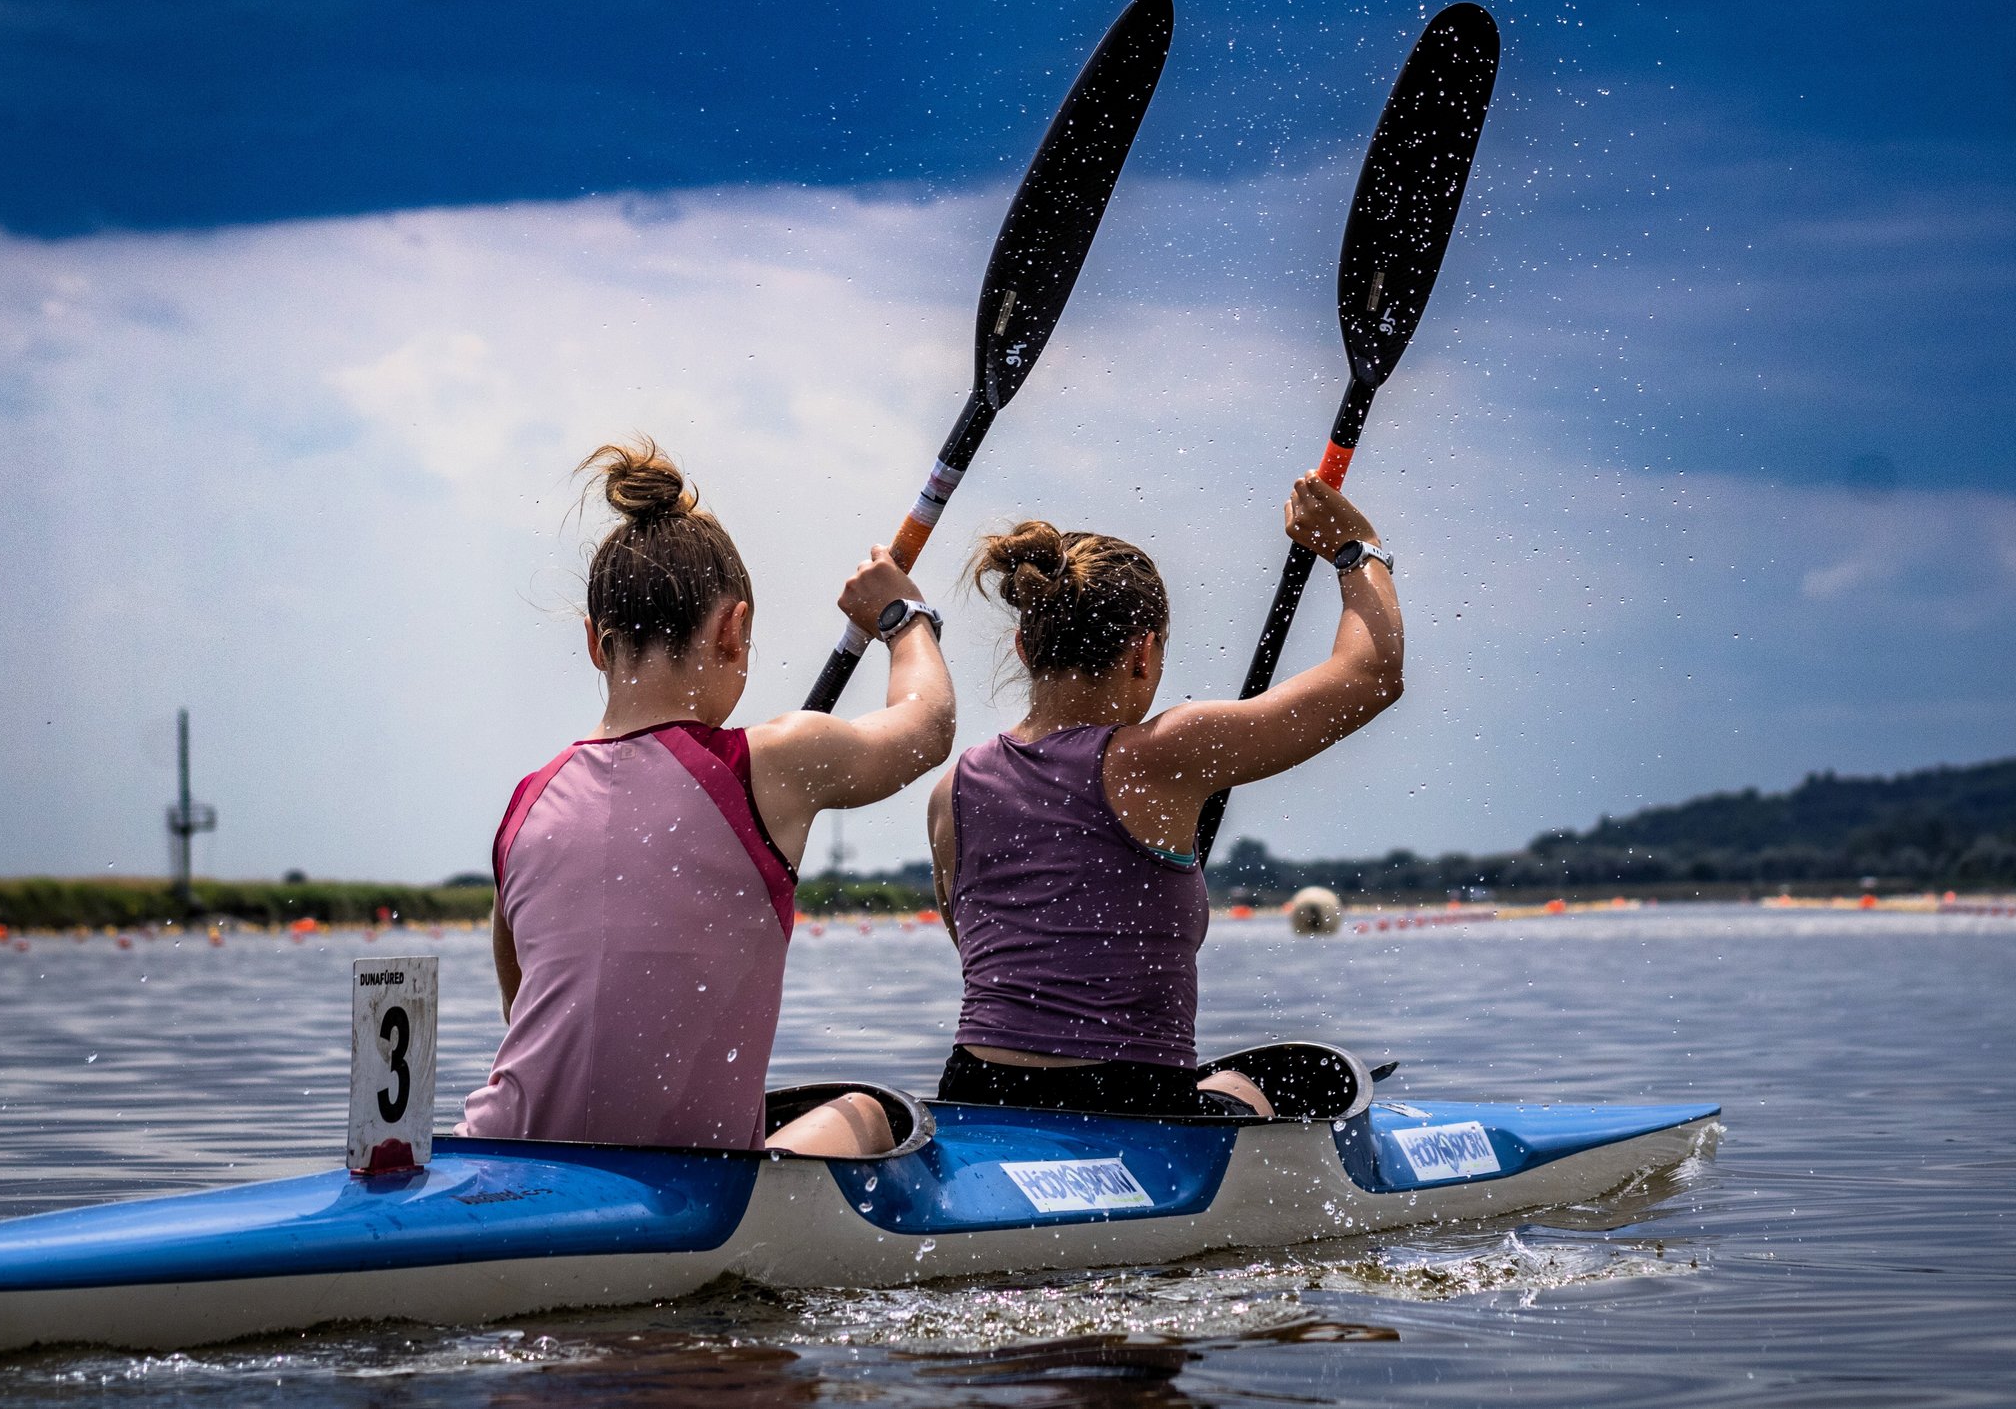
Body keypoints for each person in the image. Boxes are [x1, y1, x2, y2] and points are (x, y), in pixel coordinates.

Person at [459, 439, 954, 1157]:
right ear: (735, 629)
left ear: (597, 643)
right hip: (674, 1188)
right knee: (870, 1113)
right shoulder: (771, 763)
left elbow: (529, 1017)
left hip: (494, 1155)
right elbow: (927, 729)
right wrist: (904, 620)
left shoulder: (527, 803)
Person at [928, 473, 1403, 1118]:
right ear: (1144, 653)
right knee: (1313, 1073)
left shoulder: (953, 789)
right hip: (1128, 1100)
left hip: (976, 1092)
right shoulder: (1163, 753)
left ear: (1023, 644)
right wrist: (1355, 548)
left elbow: (984, 949)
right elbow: (1371, 676)